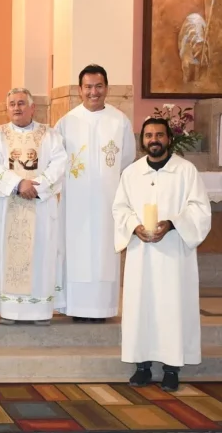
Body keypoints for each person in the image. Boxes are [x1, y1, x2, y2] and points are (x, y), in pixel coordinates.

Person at [113, 117, 211, 392]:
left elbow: (200, 209)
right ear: (142, 141)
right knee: (140, 307)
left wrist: (172, 224)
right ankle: (141, 366)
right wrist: (134, 226)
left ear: (169, 139)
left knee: (172, 307)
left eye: (159, 135)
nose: (153, 140)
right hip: (141, 253)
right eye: (148, 136)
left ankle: (171, 369)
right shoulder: (131, 173)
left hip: (173, 254)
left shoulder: (186, 171)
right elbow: (120, 208)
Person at [55, 65, 136, 323]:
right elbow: (55, 162)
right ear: (80, 90)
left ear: (107, 88)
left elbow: (126, 160)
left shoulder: (119, 121)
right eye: (88, 87)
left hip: (107, 202)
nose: (93, 92)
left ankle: (102, 308)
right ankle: (75, 306)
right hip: (74, 202)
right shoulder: (66, 123)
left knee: (104, 253)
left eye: (98, 86)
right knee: (75, 251)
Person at [0, 88, 67, 325]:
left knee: (41, 254)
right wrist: (18, 184)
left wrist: (37, 186)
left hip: (40, 207)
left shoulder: (50, 136)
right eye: (12, 104)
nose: (16, 108)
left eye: (21, 103)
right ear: (7, 108)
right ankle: (8, 310)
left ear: (32, 108)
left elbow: (59, 164)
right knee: (8, 255)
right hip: (8, 205)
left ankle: (40, 311)